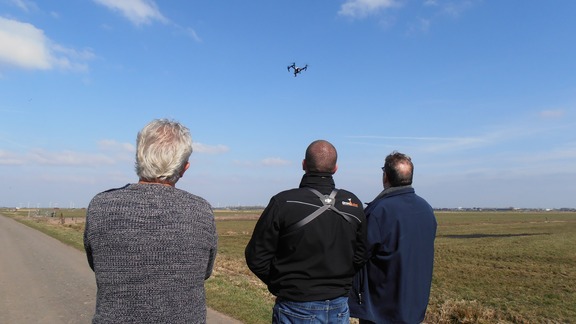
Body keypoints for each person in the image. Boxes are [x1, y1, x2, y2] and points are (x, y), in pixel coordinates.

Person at [84, 119, 218, 324]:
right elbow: (205, 272)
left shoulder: (100, 206)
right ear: (184, 168)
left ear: (139, 158)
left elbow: (97, 264)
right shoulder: (201, 210)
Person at [245, 139, 367, 323]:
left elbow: (257, 256)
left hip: (296, 306)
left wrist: (283, 284)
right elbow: (361, 254)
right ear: (335, 168)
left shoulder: (283, 202)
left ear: (304, 165)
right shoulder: (354, 204)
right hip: (339, 307)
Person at [349, 151, 437, 324]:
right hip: (414, 305)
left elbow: (358, 255)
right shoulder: (426, 209)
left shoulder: (379, 211)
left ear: (385, 176)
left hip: (382, 308)